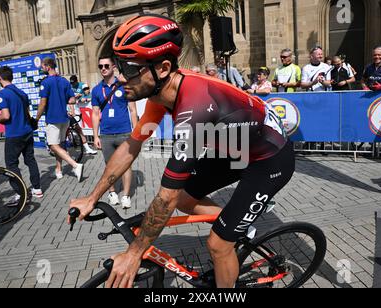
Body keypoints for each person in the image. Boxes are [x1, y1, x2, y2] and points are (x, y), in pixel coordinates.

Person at [70, 14, 294, 289]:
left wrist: (134, 253)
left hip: (269, 159)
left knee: (218, 244)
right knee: (187, 201)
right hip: (234, 147)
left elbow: (165, 197)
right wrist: (93, 197)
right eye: (118, 66)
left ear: (162, 68)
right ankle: (239, 224)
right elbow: (131, 146)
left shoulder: (194, 110)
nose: (119, 77)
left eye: (128, 68)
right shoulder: (160, 97)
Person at [91, 55, 138, 208]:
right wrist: (95, 135)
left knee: (126, 165)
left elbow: (132, 110)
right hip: (106, 134)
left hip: (125, 132)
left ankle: (125, 195)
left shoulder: (125, 85)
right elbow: (95, 114)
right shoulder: (97, 90)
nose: (103, 69)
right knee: (109, 166)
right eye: (100, 66)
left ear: (113, 67)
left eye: (106, 66)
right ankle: (112, 193)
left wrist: (136, 132)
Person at [0, 66, 43, 199]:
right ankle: (37, 188)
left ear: (0, 78)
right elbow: (27, 113)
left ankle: (21, 193)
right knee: (30, 160)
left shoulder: (3, 93)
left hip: (14, 134)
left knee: (11, 165)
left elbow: (5, 116)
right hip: (27, 131)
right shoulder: (22, 93)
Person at [36, 57, 84, 182]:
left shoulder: (45, 83)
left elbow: (42, 104)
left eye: (42, 66)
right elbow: (72, 100)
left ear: (47, 66)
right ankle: (58, 170)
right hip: (64, 118)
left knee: (53, 145)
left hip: (53, 118)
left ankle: (75, 165)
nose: (42, 69)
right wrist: (62, 100)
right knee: (60, 144)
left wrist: (36, 118)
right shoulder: (64, 81)